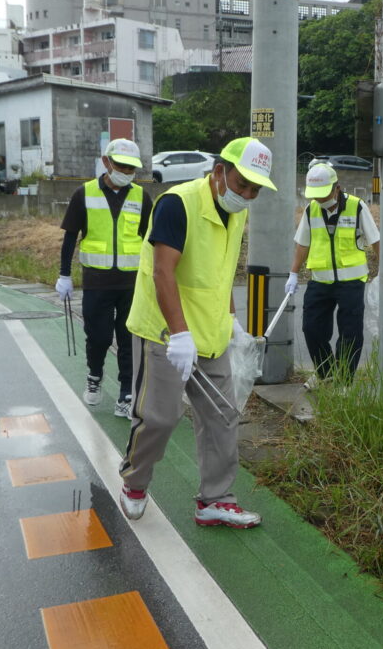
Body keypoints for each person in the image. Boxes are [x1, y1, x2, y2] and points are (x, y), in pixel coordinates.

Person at [118, 137, 276, 528]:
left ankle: (215, 499)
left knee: (223, 415)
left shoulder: (235, 213)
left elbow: (220, 275)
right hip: (164, 332)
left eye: (256, 189)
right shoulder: (177, 203)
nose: (248, 194)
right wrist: (180, 335)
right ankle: (134, 483)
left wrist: (233, 323)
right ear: (219, 171)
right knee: (160, 417)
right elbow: (162, 271)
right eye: (243, 184)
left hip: (211, 331)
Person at [55, 138, 152, 418]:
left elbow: (150, 239)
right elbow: (70, 236)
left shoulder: (141, 196)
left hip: (131, 284)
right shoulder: (83, 194)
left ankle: (126, 393)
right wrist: (64, 275)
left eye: (132, 168)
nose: (127, 172)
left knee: (127, 339)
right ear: (106, 162)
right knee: (98, 337)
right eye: (121, 165)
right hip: (96, 283)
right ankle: (95, 376)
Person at [285, 161, 380, 385]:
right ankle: (326, 374)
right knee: (312, 328)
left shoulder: (357, 207)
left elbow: (376, 241)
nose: (319, 198)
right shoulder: (311, 210)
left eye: (323, 193)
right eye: (315, 194)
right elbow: (302, 244)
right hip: (320, 280)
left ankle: (344, 381)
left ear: (336, 187)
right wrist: (293, 273)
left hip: (352, 281)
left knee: (350, 334)